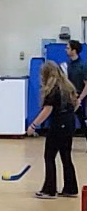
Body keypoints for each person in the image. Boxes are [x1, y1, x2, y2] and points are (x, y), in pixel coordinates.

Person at [27, 60, 78, 199]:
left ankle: (49, 190)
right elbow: (76, 102)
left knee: (49, 156)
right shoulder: (67, 87)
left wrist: (33, 126)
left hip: (58, 125)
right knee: (65, 156)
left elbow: (47, 110)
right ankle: (71, 188)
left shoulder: (53, 89)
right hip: (69, 123)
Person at [66, 40, 87, 144]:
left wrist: (80, 99)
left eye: (68, 48)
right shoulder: (68, 64)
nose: (66, 50)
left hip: (80, 96)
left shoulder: (83, 66)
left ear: (74, 50)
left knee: (82, 120)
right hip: (70, 95)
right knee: (68, 120)